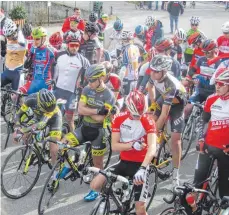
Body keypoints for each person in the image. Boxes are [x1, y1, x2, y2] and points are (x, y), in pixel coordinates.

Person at [90, 90, 157, 215]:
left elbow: (152, 148)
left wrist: (143, 168)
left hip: (140, 165)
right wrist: (132, 145)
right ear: (128, 109)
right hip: (124, 161)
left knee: (140, 210)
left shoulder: (148, 121)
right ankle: (115, 200)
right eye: (135, 115)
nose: (139, 117)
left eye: (141, 114)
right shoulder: (119, 119)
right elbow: (114, 146)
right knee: (95, 184)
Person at [62, 64, 115, 201]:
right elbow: (80, 110)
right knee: (63, 144)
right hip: (84, 128)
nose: (89, 83)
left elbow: (101, 118)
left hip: (98, 132)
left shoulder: (109, 95)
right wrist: (96, 111)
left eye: (92, 80)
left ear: (100, 79)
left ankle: (96, 190)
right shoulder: (86, 89)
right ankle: (69, 166)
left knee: (98, 165)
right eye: (88, 80)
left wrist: (89, 111)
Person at [148, 55, 187, 186]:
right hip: (164, 98)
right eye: (151, 70)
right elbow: (150, 86)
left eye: (156, 71)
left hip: (177, 105)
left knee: (175, 140)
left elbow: (164, 115)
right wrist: (153, 102)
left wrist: (153, 132)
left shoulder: (171, 84)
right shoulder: (155, 74)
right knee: (151, 120)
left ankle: (176, 173)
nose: (152, 73)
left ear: (164, 71)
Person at [193, 67, 229, 200]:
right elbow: (203, 121)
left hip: (226, 150)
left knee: (224, 189)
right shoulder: (211, 99)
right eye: (216, 83)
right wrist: (201, 139)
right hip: (209, 146)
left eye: (221, 84)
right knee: (196, 184)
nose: (217, 87)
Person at [13, 89, 62, 185]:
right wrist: (18, 127)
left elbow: (40, 125)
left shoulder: (51, 108)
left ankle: (56, 174)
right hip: (38, 117)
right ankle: (33, 149)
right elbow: (18, 114)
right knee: (25, 135)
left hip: (54, 119)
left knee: (53, 148)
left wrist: (22, 131)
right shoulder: (31, 99)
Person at [53, 31, 90, 132]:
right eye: (72, 45)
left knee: (70, 119)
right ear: (67, 45)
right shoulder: (59, 55)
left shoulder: (83, 60)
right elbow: (52, 69)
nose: (74, 48)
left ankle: (72, 141)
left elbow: (89, 77)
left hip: (72, 94)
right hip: (58, 91)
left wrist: (83, 86)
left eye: (77, 45)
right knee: (55, 117)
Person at [183, 39, 221, 122]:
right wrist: (191, 77)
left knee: (208, 117)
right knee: (186, 110)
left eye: (208, 52)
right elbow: (193, 70)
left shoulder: (219, 63)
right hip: (200, 90)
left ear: (215, 49)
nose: (205, 54)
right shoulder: (201, 60)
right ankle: (185, 129)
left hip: (213, 92)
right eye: (204, 52)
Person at [19, 26, 55, 94]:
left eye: (37, 39)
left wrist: (54, 79)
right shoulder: (34, 49)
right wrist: (31, 52)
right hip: (34, 82)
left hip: (45, 83)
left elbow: (57, 66)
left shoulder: (50, 51)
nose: (35, 41)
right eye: (34, 39)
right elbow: (26, 65)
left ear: (44, 38)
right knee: (16, 95)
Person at [1, 19, 26, 91]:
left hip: (17, 73)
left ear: (14, 33)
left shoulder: (21, 39)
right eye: (6, 36)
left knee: (15, 98)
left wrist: (18, 32)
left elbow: (23, 42)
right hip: (7, 71)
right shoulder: (8, 38)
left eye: (9, 36)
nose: (7, 38)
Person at [120, 30, 140, 96]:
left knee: (126, 97)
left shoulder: (126, 49)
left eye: (123, 40)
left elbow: (124, 66)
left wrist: (120, 78)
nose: (122, 41)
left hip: (127, 77)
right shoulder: (136, 47)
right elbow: (138, 61)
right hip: (135, 76)